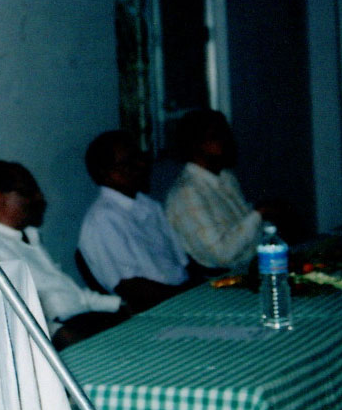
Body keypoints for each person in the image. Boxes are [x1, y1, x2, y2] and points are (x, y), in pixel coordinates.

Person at [0, 160, 126, 348]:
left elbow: (74, 296)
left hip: (82, 321)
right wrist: (58, 333)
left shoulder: (28, 237)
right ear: (0, 197)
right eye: (28, 192)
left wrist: (119, 304)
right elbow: (10, 321)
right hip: (56, 338)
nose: (39, 197)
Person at [77, 130, 191, 311]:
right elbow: (131, 288)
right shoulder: (102, 220)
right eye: (129, 162)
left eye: (140, 157)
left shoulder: (149, 205)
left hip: (182, 295)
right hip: (156, 309)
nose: (141, 165)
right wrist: (185, 297)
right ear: (106, 173)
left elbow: (182, 263)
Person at [163, 109, 263, 272]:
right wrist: (259, 214)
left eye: (227, 134)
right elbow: (221, 255)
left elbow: (247, 234)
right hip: (220, 280)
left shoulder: (226, 177)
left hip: (252, 268)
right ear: (195, 145)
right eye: (217, 136)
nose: (227, 141)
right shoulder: (186, 193)